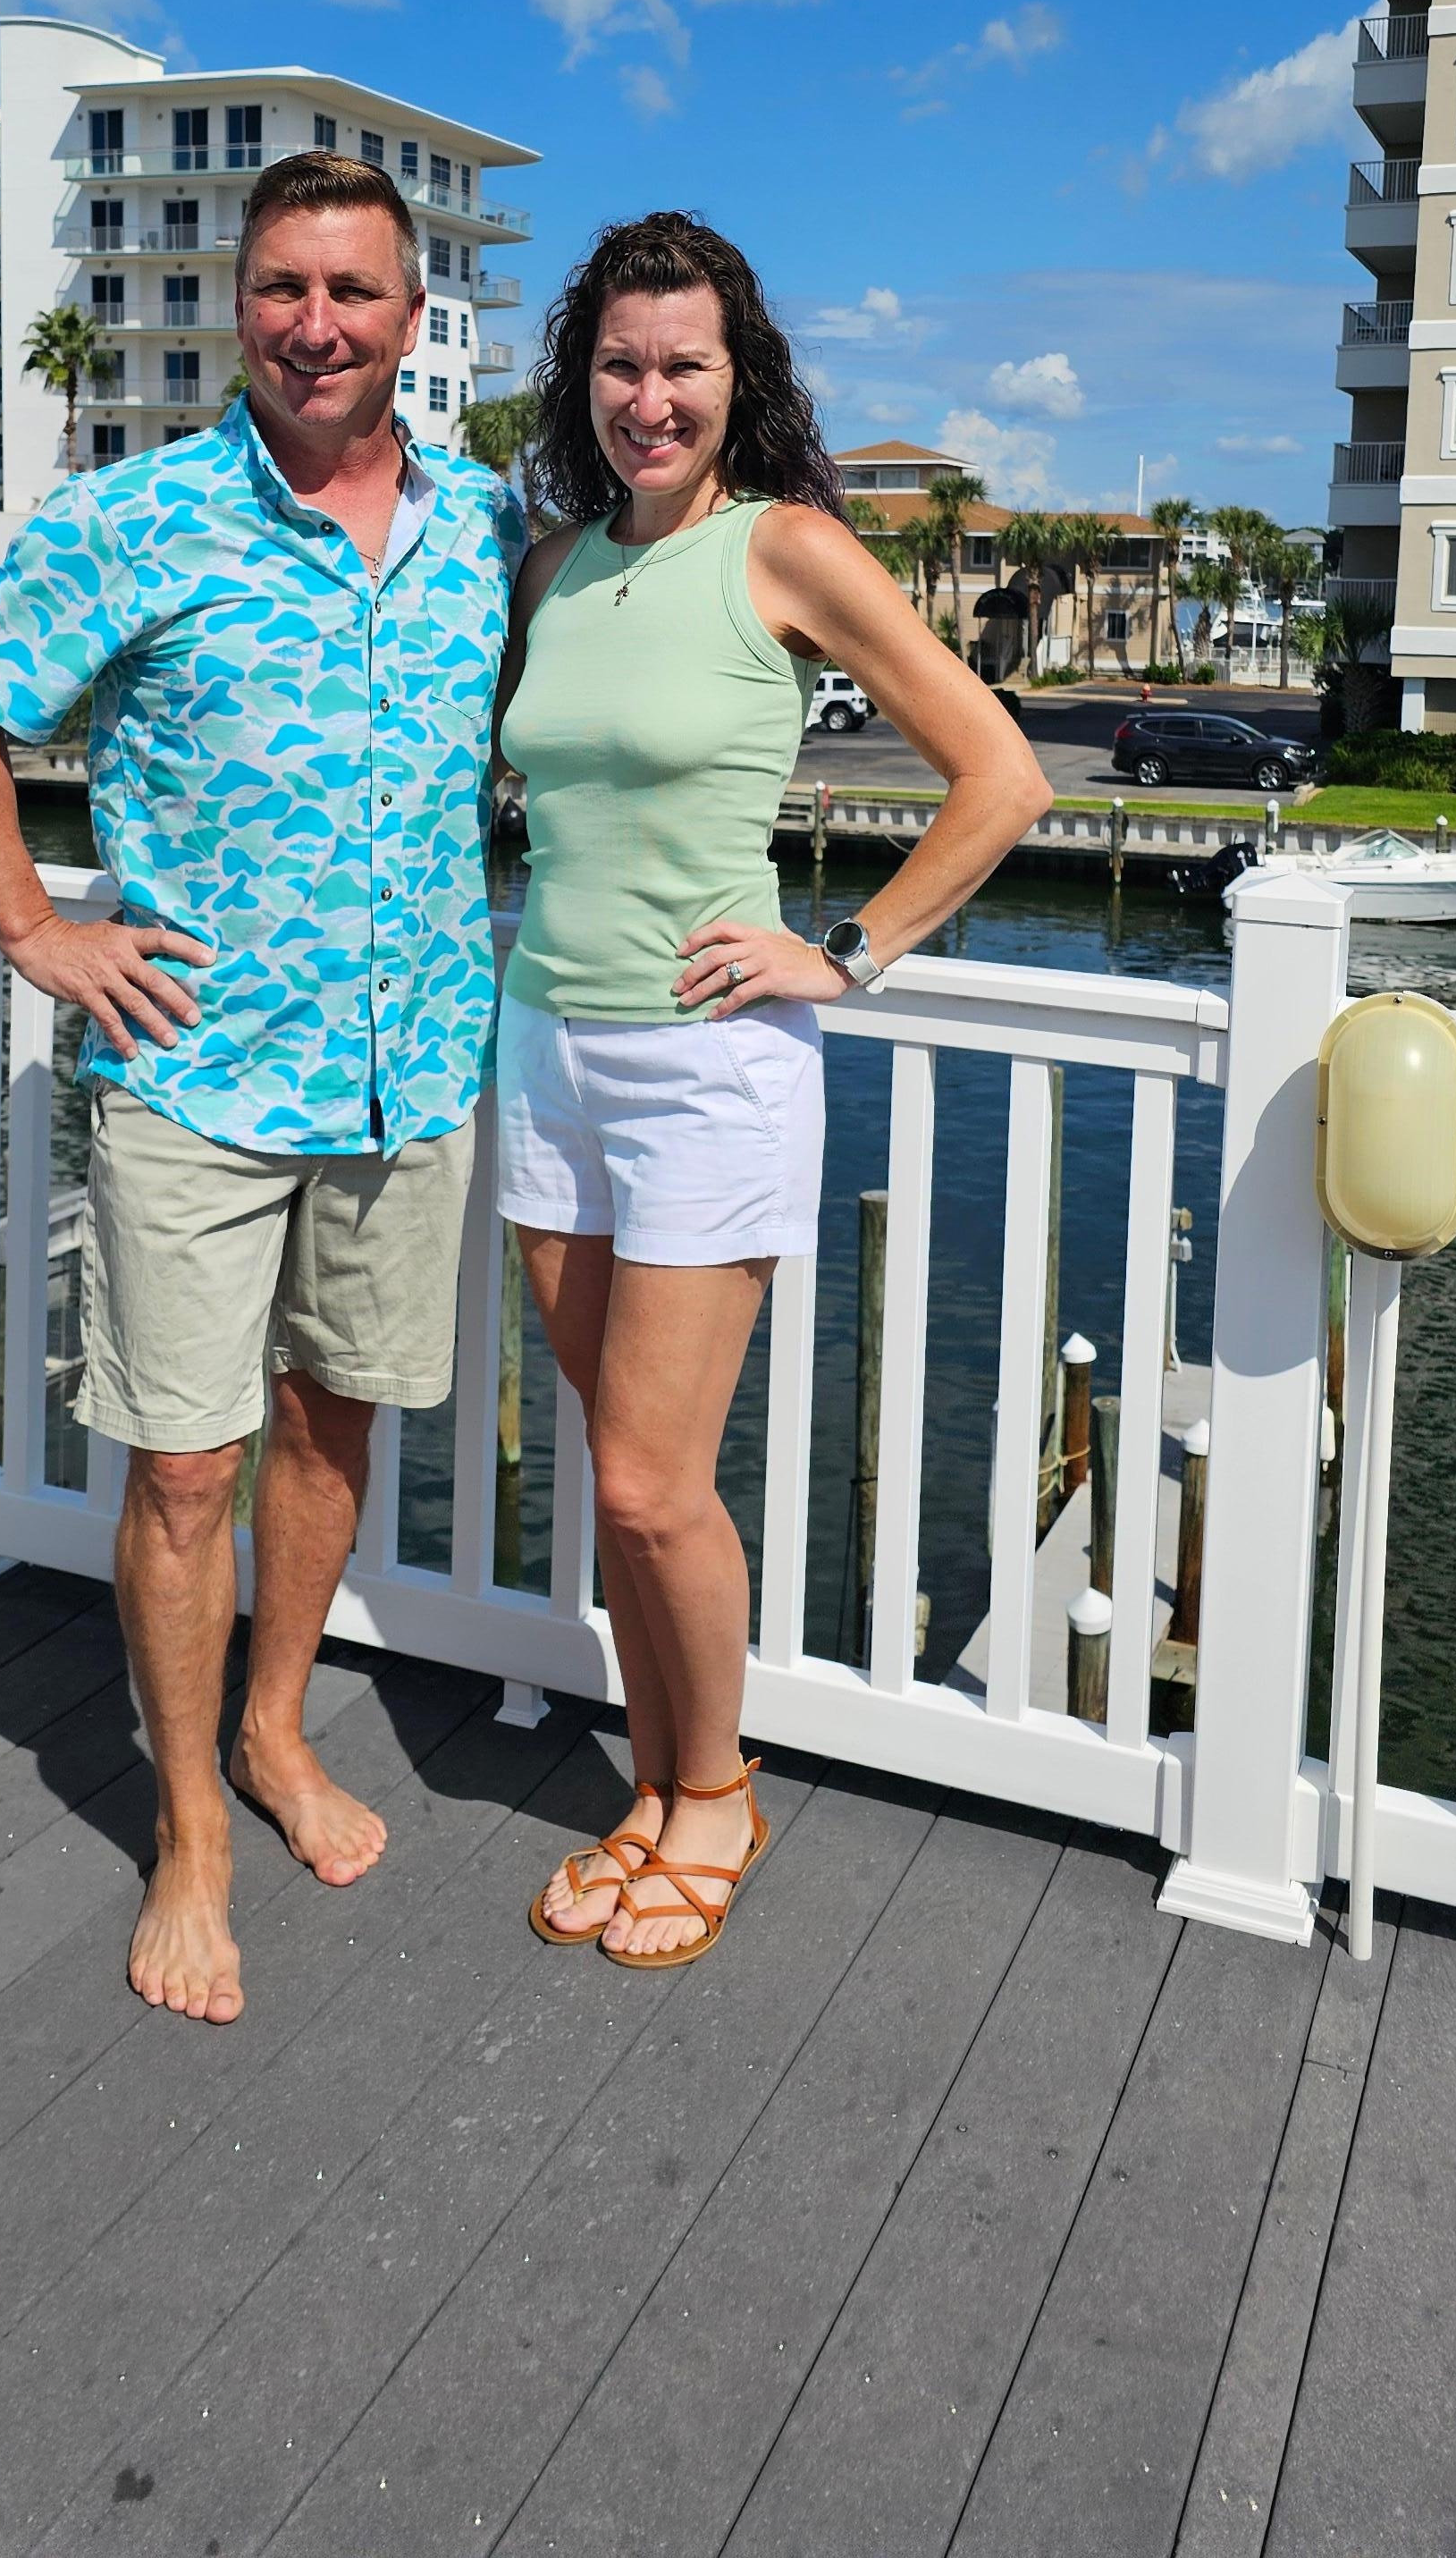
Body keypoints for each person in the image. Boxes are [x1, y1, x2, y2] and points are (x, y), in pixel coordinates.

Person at [0, 154, 521, 2025]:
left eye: (353, 289)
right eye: (281, 287)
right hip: (192, 1071)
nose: (315, 323)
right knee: (182, 1465)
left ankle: (271, 1721)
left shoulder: (491, 525)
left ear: (416, 320)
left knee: (332, 1429)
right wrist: (33, 927)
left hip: (411, 1068)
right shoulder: (138, 518)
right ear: (237, 305)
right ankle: (189, 1826)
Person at [496, 215, 1049, 1963]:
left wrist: (850, 946)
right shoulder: (560, 562)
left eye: (683, 365)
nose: (649, 396)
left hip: (705, 1073)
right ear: (584, 379)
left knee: (661, 1480)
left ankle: (719, 1792)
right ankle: (654, 1788)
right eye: (621, 364)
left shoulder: (788, 547)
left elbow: (1000, 774)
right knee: (619, 1469)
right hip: (547, 1050)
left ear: (740, 383)